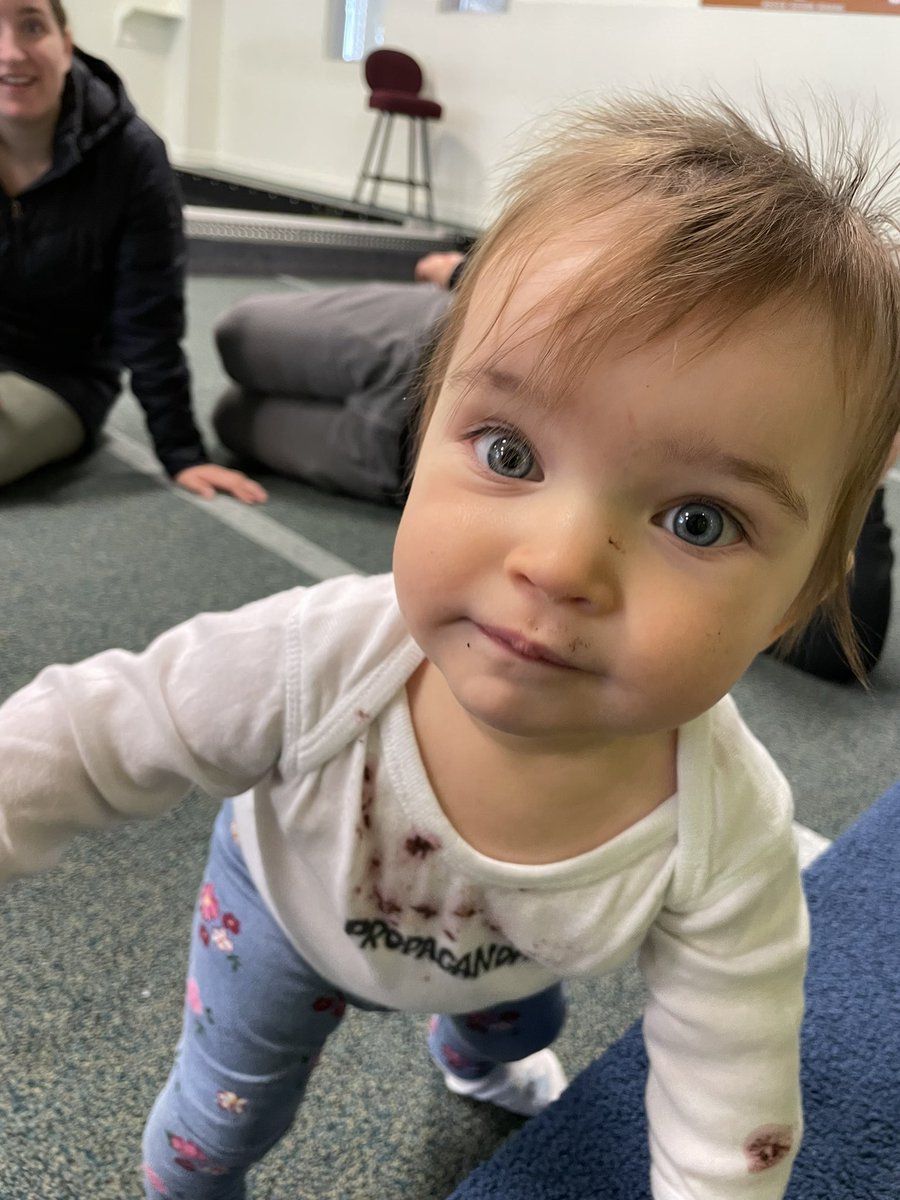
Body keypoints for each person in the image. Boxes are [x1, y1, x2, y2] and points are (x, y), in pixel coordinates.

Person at [2, 93, 900, 1200]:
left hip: (511, 957)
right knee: (217, 1117)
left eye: (697, 520)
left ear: (791, 604)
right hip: (285, 917)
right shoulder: (320, 657)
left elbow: (733, 1081)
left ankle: (478, 1057)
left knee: (514, 1016)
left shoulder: (724, 825)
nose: (562, 563)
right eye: (511, 452)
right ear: (424, 436)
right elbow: (88, 733)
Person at [215, 249, 896, 684]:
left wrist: (852, 463)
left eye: (697, 522)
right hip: (426, 344)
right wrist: (467, 272)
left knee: (234, 422)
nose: (557, 568)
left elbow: (844, 645)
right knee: (240, 335)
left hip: (392, 452)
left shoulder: (818, 438)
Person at [0, 0, 266, 502]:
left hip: (57, 377)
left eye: (31, 26)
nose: (10, 53)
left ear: (65, 44)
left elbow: (148, 319)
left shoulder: (132, 158)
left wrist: (181, 451)